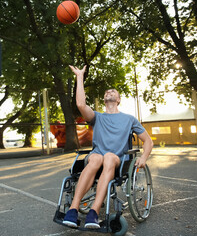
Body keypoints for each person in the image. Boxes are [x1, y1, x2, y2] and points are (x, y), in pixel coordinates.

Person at [62, 65, 154, 229]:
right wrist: (79, 76)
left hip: (115, 160)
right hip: (96, 157)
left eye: (113, 92)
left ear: (118, 100)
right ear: (104, 100)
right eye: (106, 93)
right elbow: (81, 104)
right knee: (97, 157)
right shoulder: (97, 117)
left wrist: (144, 158)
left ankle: (94, 212)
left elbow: (148, 141)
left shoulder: (129, 119)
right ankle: (73, 210)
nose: (109, 93)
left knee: (109, 157)